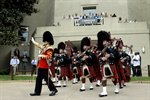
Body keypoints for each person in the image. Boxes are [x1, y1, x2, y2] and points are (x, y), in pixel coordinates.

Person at [30, 31, 58, 96]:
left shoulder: (49, 48)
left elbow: (49, 57)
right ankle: (37, 92)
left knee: (47, 79)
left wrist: (41, 56)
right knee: (39, 79)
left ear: (48, 41)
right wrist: (34, 42)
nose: (44, 42)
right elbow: (39, 45)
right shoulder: (45, 47)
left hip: (45, 66)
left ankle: (53, 90)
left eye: (45, 41)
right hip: (41, 65)